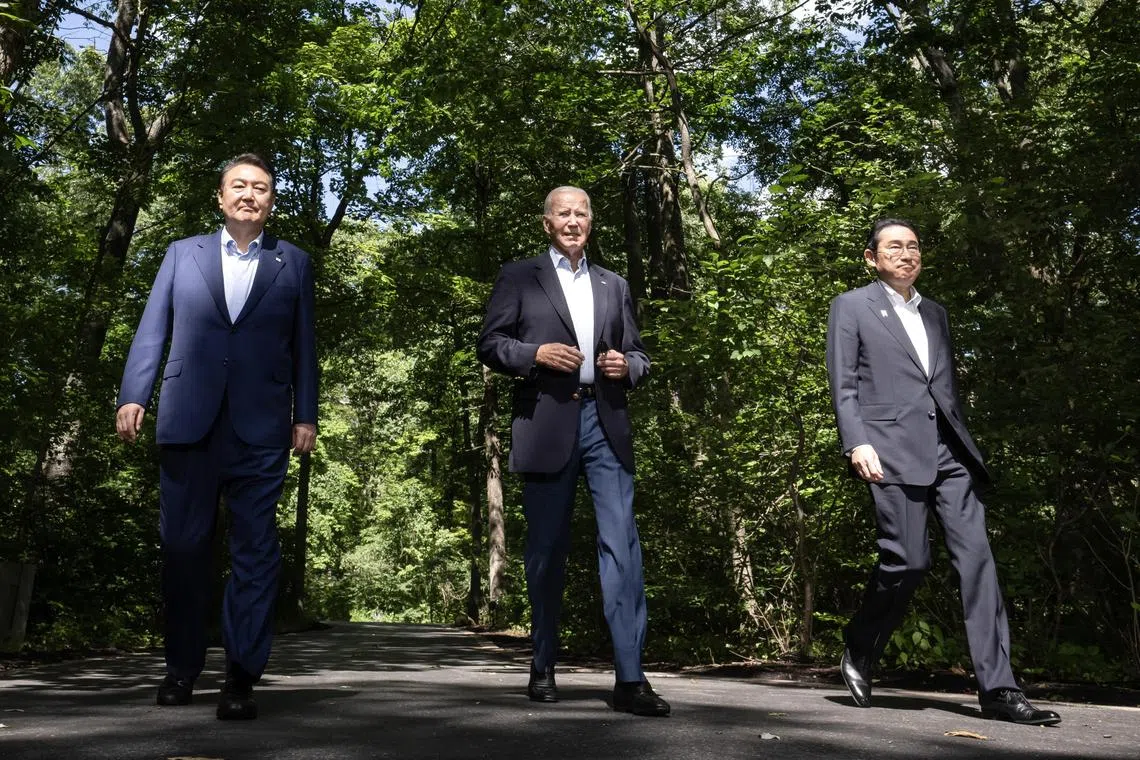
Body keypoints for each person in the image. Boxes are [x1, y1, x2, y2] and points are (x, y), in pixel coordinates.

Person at [825, 218, 1060, 725]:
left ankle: (998, 689)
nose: (906, 254)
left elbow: (942, 387)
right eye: (894, 247)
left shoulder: (936, 312)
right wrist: (857, 441)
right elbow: (843, 384)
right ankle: (861, 644)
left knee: (978, 562)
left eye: (913, 247)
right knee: (907, 562)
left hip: (949, 453)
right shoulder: (851, 306)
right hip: (887, 450)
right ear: (872, 258)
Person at [115, 153, 318, 720]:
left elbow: (305, 346)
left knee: (255, 553)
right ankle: (180, 668)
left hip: (262, 427)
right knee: (183, 550)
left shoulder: (293, 263)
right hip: (188, 421)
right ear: (221, 196)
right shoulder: (183, 253)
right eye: (239, 186)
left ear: (271, 200)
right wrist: (134, 393)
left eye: (260, 188)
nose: (249, 194)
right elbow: (153, 325)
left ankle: (240, 676)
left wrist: (307, 415)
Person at [476, 186, 669, 717]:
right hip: (545, 423)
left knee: (622, 549)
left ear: (591, 222)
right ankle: (542, 665)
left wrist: (627, 367)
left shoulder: (615, 284)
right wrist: (535, 353)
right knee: (546, 551)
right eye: (563, 213)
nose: (573, 220)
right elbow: (490, 344)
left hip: (606, 423)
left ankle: (630, 679)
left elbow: (639, 354)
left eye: (581, 213)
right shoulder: (520, 276)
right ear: (546, 223)